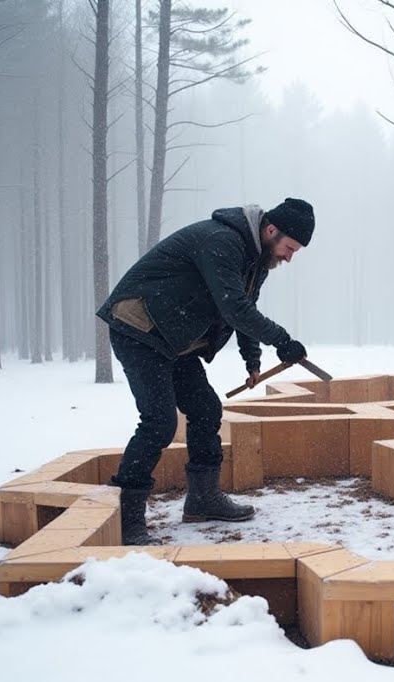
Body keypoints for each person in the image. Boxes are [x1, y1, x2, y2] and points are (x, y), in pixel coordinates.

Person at [96, 198, 315, 544]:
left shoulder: (256, 260)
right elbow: (234, 308)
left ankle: (202, 498)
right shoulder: (222, 241)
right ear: (271, 231)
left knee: (206, 409)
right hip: (138, 327)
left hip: (171, 338)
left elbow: (245, 307)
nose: (289, 257)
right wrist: (282, 340)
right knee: (159, 422)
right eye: (290, 248)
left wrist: (253, 360)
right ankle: (127, 516)